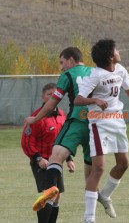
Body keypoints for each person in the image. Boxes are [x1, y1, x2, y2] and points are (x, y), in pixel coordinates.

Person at [74, 39, 129, 223]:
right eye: (116, 49)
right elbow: (78, 99)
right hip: (99, 123)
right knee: (98, 168)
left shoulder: (120, 70)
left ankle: (105, 195)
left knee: (123, 164)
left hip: (117, 121)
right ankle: (89, 218)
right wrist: (95, 101)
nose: (119, 51)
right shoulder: (95, 75)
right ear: (110, 56)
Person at [24, 47, 93, 217]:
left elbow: (53, 103)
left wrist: (35, 119)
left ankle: (50, 191)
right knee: (92, 169)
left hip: (77, 121)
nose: (62, 67)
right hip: (96, 123)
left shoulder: (67, 77)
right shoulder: (96, 72)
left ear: (71, 59)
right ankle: (95, 203)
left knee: (52, 186)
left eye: (62, 63)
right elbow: (27, 142)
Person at [21, 83, 71, 223]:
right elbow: (27, 142)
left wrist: (69, 159)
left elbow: (64, 139)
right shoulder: (36, 117)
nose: (52, 97)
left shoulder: (62, 115)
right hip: (41, 162)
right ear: (42, 97)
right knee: (49, 194)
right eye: (49, 94)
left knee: (57, 195)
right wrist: (38, 159)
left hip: (57, 161)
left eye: (55, 95)